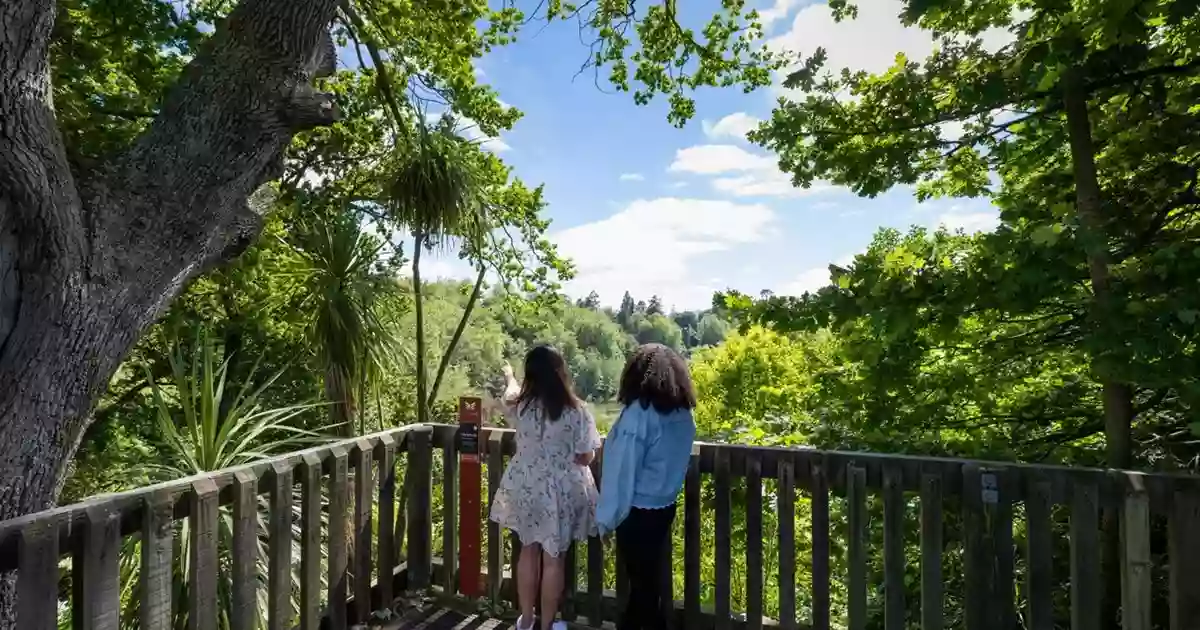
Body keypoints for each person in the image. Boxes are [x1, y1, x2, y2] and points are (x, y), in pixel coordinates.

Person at [490, 345, 601, 630]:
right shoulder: (577, 411)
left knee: (528, 550)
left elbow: (510, 392)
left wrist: (508, 376)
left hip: (525, 485)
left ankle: (526, 620)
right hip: (561, 490)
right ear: (560, 372)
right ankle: (548, 625)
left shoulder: (520, 407)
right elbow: (587, 454)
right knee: (554, 558)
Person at [596, 343, 697, 630]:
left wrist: (606, 519)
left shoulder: (639, 415)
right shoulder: (683, 414)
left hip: (637, 512)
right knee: (648, 584)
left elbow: (621, 473)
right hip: (664, 507)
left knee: (643, 588)